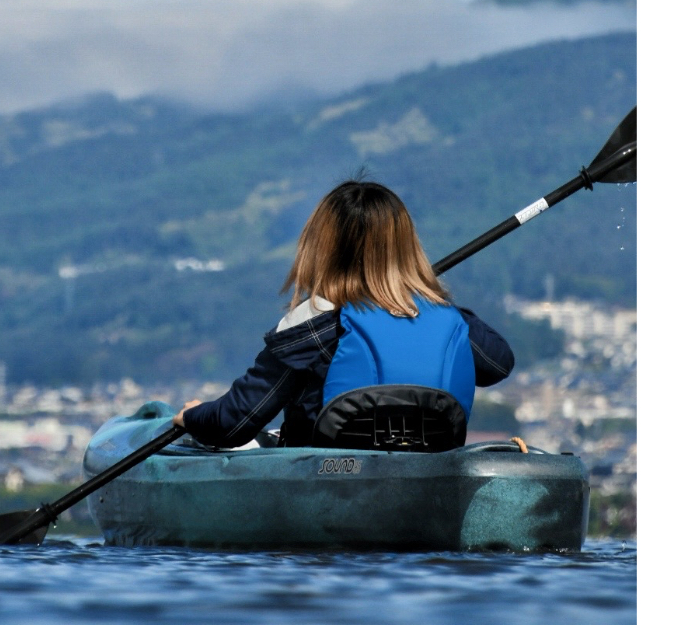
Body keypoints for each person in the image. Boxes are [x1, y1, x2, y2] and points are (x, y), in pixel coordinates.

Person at [172, 179, 515, 449]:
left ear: (322, 250)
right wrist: (431, 297)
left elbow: (233, 423)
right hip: (430, 474)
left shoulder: (315, 325)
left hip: (330, 481)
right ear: (407, 248)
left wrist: (192, 416)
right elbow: (498, 363)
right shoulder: (449, 320)